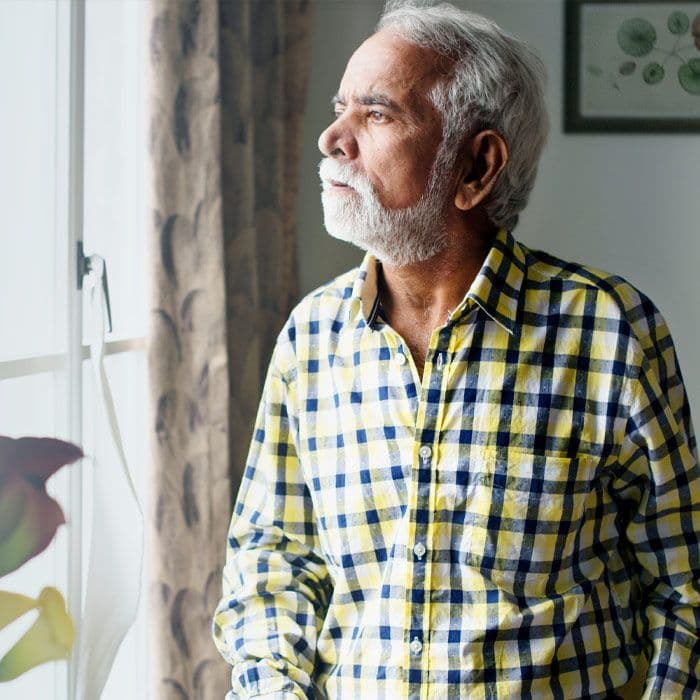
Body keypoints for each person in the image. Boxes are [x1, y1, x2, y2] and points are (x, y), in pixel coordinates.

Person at [212, 2, 700, 698]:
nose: (330, 138)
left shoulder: (610, 332)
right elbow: (272, 566)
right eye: (339, 107)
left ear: (477, 165)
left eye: (375, 114)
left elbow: (686, 587)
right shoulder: (310, 338)